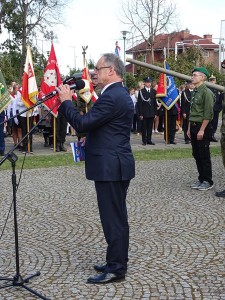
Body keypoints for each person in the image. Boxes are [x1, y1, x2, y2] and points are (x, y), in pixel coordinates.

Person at [56, 53, 135, 284]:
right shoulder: (115, 94)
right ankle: (116, 260)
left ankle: (117, 269)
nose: (94, 73)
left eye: (98, 69)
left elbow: (81, 123)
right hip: (114, 163)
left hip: (112, 166)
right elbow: (104, 126)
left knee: (114, 219)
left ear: (111, 70)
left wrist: (65, 102)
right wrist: (89, 139)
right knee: (116, 217)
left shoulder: (113, 96)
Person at [188, 67, 214, 191]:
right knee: (196, 153)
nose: (192, 77)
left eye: (195, 75)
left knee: (204, 154)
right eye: (192, 75)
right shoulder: (195, 91)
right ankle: (201, 178)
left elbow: (208, 114)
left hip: (202, 127)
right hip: (193, 126)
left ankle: (208, 180)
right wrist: (188, 128)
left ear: (202, 77)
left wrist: (202, 130)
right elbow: (192, 112)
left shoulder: (206, 92)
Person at [137, 76, 157, 145]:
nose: (149, 84)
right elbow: (139, 104)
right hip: (144, 113)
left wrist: (155, 113)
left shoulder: (153, 91)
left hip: (151, 112)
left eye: (150, 82)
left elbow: (154, 103)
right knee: (144, 127)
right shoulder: (141, 92)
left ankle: (149, 140)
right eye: (147, 82)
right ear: (144, 83)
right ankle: (144, 141)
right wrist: (140, 114)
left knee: (150, 127)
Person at [208, 75, 223, 142]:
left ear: (215, 81)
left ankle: (212, 135)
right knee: (208, 123)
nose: (212, 81)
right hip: (208, 109)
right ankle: (208, 135)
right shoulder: (207, 88)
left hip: (216, 109)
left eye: (213, 80)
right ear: (209, 81)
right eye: (211, 80)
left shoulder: (218, 89)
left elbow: (221, 99)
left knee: (215, 123)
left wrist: (219, 108)